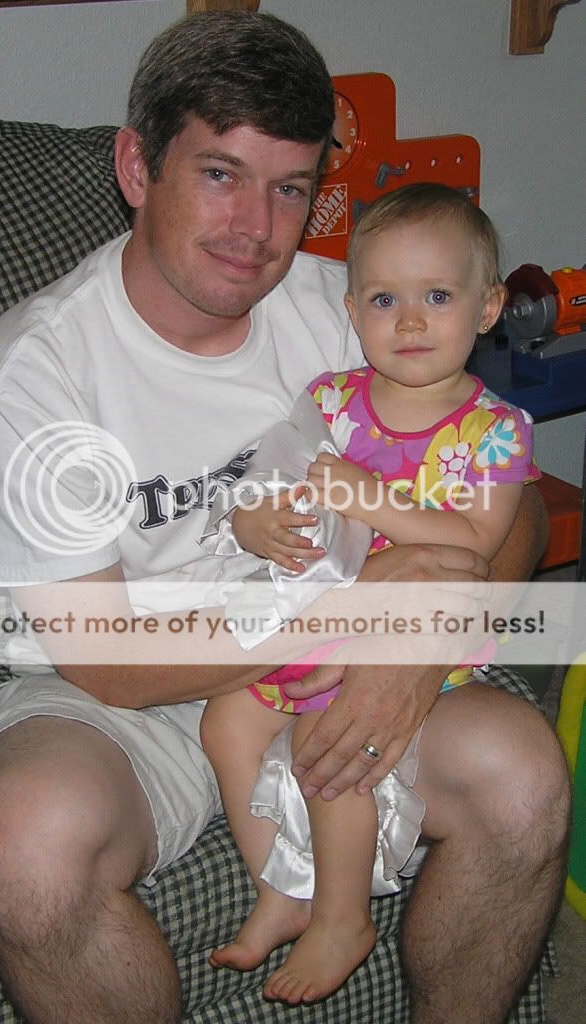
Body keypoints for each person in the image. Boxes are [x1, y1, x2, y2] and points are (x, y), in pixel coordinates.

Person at [0, 11, 568, 1024]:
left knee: (524, 777)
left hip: (335, 653)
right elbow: (105, 660)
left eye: (289, 188)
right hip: (135, 682)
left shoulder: (352, 309)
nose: (256, 228)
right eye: (219, 174)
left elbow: (516, 507)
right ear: (137, 167)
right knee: (30, 840)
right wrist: (349, 613)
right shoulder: (36, 378)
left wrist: (422, 637)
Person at [200, 183, 541, 1005]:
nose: (410, 321)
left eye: (438, 297)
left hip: (414, 634)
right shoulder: (330, 400)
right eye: (385, 300)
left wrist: (369, 498)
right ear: (352, 311)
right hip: (322, 609)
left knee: (327, 734)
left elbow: (473, 543)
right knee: (227, 719)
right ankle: (281, 887)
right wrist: (255, 523)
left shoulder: (494, 431)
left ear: (487, 307)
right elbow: (271, 479)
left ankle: (342, 917)